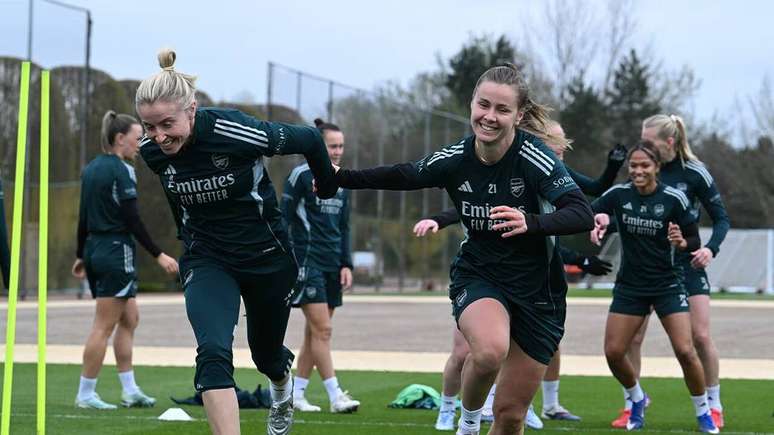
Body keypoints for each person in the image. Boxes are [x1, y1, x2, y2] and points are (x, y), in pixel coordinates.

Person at [332, 64, 594, 435]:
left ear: (518, 115)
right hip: (481, 274)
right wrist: (340, 177)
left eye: (502, 110)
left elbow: (580, 211)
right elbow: (404, 174)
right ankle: (468, 424)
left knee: (510, 416)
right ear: (472, 103)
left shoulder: (535, 157)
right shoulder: (455, 157)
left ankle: (483, 422)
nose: (489, 117)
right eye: (483, 105)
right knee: (488, 352)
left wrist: (531, 222)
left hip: (539, 291)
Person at [135, 49, 337, 435]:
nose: (158, 137)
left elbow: (311, 139)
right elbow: (178, 198)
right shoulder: (152, 153)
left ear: (191, 110)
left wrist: (326, 186)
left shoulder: (235, 131)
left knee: (266, 356)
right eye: (149, 127)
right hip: (207, 258)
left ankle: (281, 385)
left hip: (267, 258)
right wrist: (187, 239)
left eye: (166, 124)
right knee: (212, 352)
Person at [419, 121, 621, 431]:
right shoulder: (510, 168)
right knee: (468, 353)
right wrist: (437, 219)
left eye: (560, 153)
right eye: (551, 152)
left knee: (512, 387)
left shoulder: (555, 174)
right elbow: (464, 209)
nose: (555, 160)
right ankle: (457, 412)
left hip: (532, 286)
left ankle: (519, 404)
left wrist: (591, 226)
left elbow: (587, 197)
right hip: (483, 276)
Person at [590, 141, 719, 433]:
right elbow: (591, 210)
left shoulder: (673, 199)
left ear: (657, 168)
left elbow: (693, 241)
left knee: (686, 351)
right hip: (630, 286)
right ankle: (637, 398)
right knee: (613, 352)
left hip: (667, 284)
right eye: (633, 165)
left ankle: (704, 412)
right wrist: (597, 220)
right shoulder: (619, 195)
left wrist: (681, 242)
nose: (638, 170)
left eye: (644, 165)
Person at [72, 110, 179, 410]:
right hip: (115, 251)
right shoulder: (123, 170)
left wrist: (82, 254)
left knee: (130, 318)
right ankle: (86, 394)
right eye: (137, 139)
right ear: (120, 139)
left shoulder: (91, 168)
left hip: (97, 250)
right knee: (103, 325)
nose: (140, 145)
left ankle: (129, 390)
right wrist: (159, 254)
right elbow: (132, 219)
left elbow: (83, 217)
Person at [282, 118, 360, 414]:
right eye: (332, 146)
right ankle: (335, 395)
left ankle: (296, 394)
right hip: (307, 263)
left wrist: (346, 263)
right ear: (318, 147)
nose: (338, 151)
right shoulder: (300, 176)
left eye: (341, 146)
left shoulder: (343, 180)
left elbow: (345, 226)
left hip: (331, 265)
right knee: (323, 330)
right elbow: (283, 218)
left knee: (314, 334)